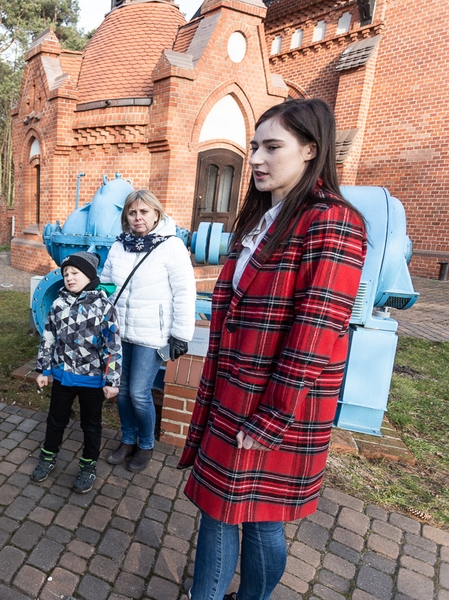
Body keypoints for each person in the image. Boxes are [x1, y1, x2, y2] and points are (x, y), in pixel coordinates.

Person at [178, 98, 367, 600]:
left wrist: (272, 418)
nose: (257, 159)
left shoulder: (332, 221)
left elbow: (317, 331)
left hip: (276, 405)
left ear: (310, 149)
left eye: (272, 147)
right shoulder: (265, 219)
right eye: (254, 147)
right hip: (233, 395)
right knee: (219, 509)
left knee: (260, 519)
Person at [100, 190, 196, 472]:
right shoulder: (120, 245)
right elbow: (107, 283)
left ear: (156, 214)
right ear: (126, 217)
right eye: (132, 213)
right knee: (123, 391)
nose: (138, 217)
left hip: (152, 335)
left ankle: (145, 445)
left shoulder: (171, 246)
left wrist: (181, 334)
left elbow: (184, 293)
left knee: (140, 393)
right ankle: (127, 439)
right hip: (120, 333)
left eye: (143, 212)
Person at [33, 252, 121, 494]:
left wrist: (112, 379)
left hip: (92, 381)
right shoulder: (58, 304)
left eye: (75, 273)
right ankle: (48, 456)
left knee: (91, 425)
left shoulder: (105, 307)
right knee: (55, 419)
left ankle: (88, 465)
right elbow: (48, 338)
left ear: (89, 275)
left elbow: (112, 347)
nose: (69, 278)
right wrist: (44, 368)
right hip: (62, 377)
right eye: (65, 274)